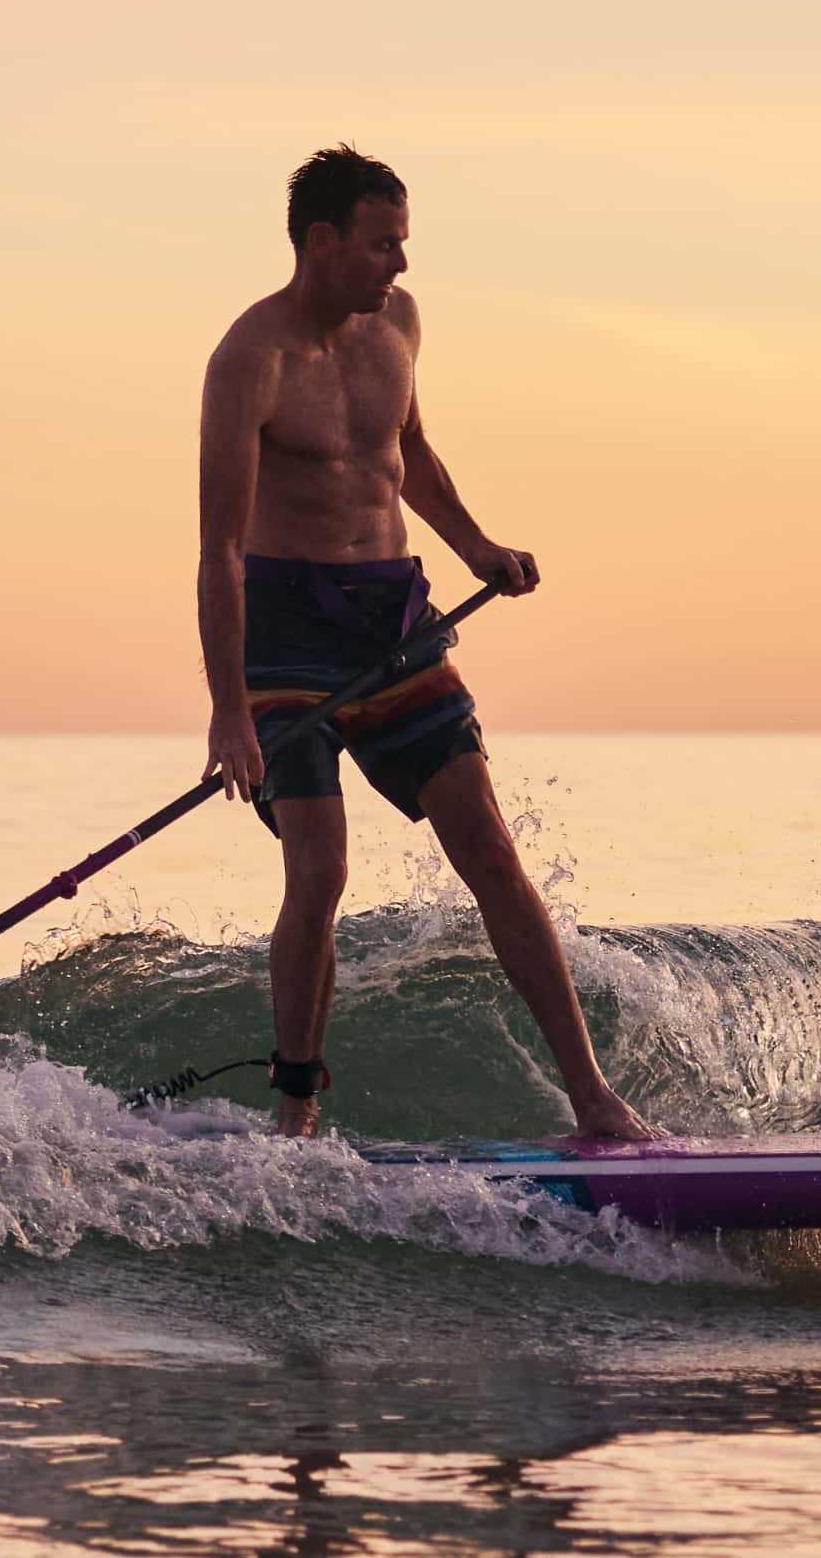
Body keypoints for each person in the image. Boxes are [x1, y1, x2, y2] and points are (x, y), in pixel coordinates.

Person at [197, 146, 649, 1143]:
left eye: (403, 243)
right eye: (381, 245)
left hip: (394, 617)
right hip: (286, 633)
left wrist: (479, 545)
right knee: (319, 868)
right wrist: (231, 711)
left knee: (488, 845)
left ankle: (595, 1101)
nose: (398, 265)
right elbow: (222, 548)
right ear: (322, 241)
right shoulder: (249, 361)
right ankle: (299, 1109)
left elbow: (405, 453)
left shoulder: (398, 326)